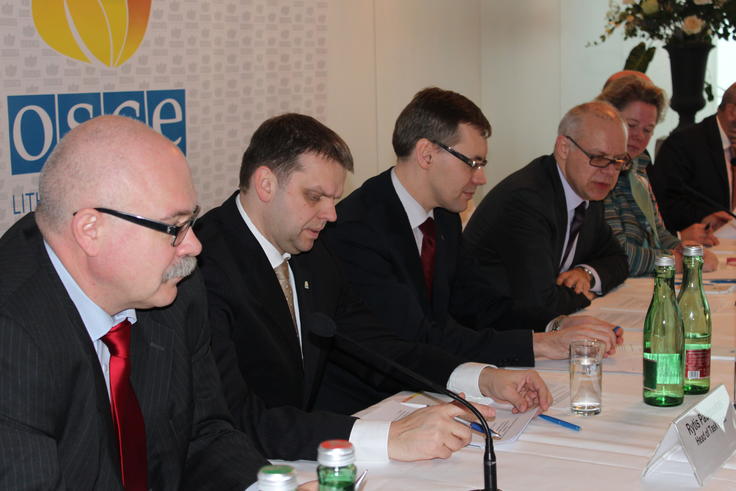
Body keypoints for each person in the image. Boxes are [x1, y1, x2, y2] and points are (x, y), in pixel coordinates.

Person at [195, 113, 551, 450]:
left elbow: (379, 347)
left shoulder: (310, 250)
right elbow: (237, 419)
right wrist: (387, 437)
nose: (331, 215)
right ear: (266, 184)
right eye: (315, 197)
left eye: (334, 199)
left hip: (296, 448)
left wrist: (482, 378)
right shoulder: (207, 266)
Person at [0, 116, 267, 490]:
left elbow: (203, 435)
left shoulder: (176, 288)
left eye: (191, 221)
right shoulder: (11, 335)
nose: (194, 246)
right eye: (175, 227)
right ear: (91, 230)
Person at [322, 87, 622, 394]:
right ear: (426, 154)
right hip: (369, 400)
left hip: (424, 381)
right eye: (472, 163)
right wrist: (539, 344)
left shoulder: (444, 216)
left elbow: (478, 303)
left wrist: (556, 324)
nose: (481, 178)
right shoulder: (357, 228)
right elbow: (417, 337)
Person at [464, 101, 630, 318]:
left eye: (618, 161)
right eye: (598, 158)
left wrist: (586, 274)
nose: (610, 172)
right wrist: (582, 296)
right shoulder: (527, 200)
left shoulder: (588, 191)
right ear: (564, 148)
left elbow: (618, 259)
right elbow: (540, 304)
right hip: (487, 327)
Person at [597, 76, 718, 275]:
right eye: (631, 125)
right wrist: (680, 262)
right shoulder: (599, 171)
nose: (639, 136)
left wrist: (682, 248)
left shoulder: (638, 166)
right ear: (609, 118)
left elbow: (657, 233)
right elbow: (617, 253)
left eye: (648, 129)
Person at [650, 82, 736, 234]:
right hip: (701, 241)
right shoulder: (683, 144)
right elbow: (665, 202)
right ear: (732, 112)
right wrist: (703, 217)